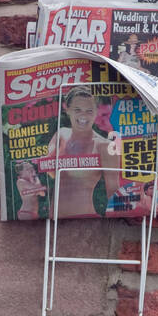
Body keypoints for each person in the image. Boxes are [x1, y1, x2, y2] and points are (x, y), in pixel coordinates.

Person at [46, 87, 120, 219]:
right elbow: (51, 175)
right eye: (77, 110)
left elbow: (114, 195)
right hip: (54, 220)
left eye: (89, 111)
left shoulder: (106, 147)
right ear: (67, 109)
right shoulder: (60, 134)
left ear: (96, 112)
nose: (83, 116)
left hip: (86, 221)